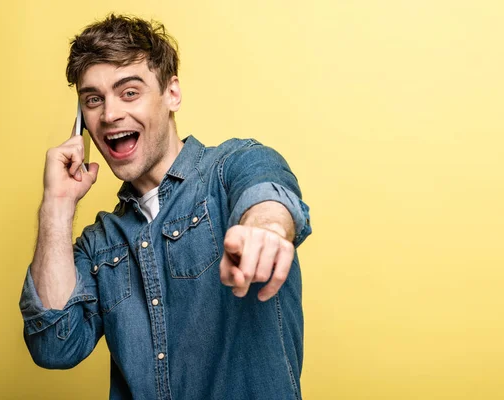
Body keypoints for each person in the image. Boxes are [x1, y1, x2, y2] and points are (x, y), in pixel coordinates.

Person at [19, 14, 311, 400]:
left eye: (129, 92)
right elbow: (55, 346)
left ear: (171, 93)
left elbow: (267, 193)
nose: (109, 115)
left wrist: (267, 231)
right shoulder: (98, 243)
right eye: (93, 99)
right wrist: (56, 205)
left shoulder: (233, 165)